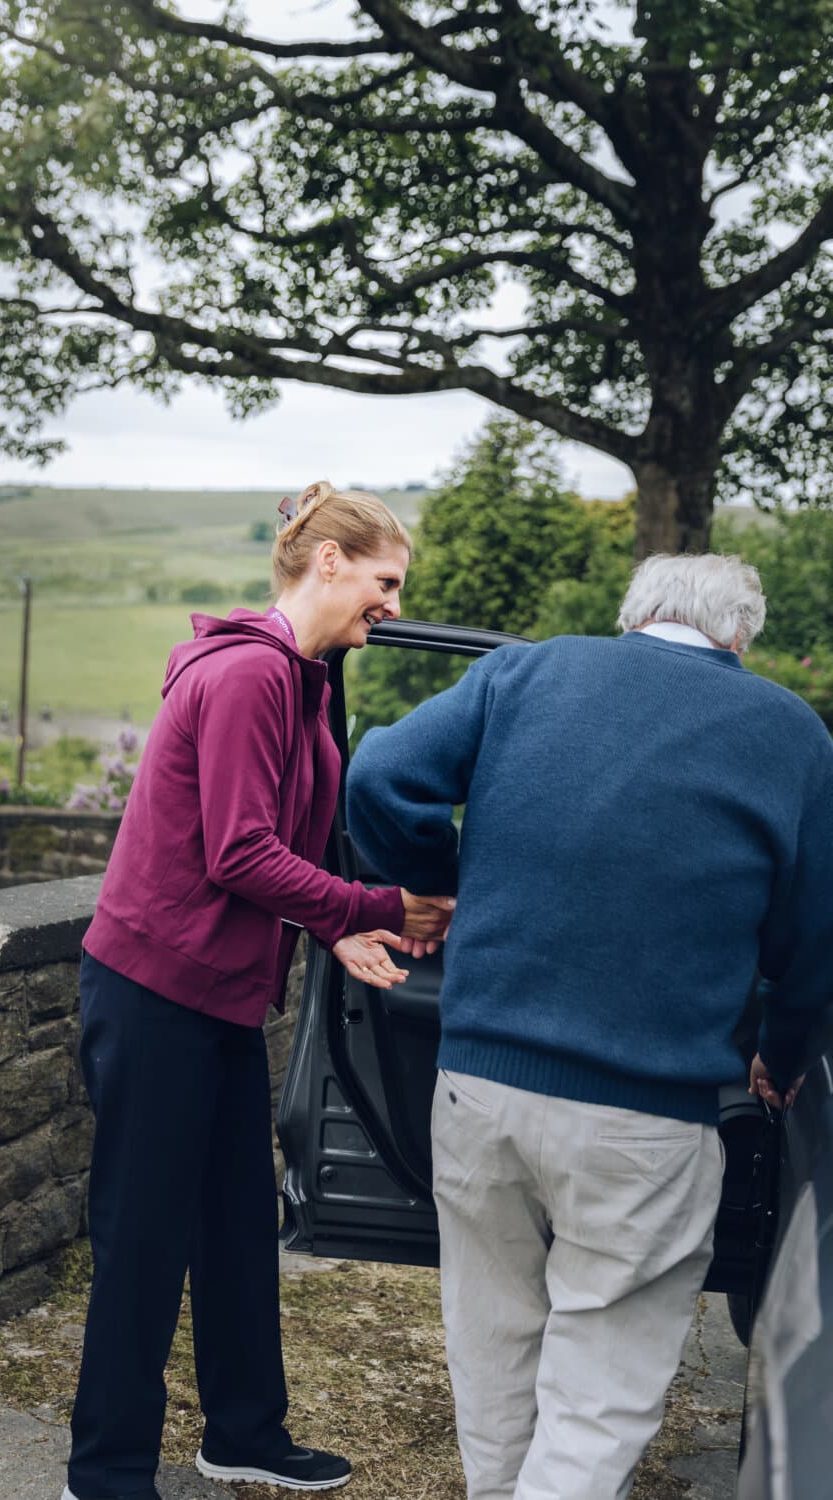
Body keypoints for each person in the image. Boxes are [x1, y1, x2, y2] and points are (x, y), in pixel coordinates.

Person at [345, 553, 833, 1500]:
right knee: (600, 1379)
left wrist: (440, 879)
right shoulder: (791, 733)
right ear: (739, 640)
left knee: (492, 1336)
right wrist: (782, 1048)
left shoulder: (526, 670)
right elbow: (812, 937)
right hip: (647, 1119)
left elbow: (380, 771)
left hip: (477, 1086)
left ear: (634, 614)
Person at [64, 481, 454, 1500]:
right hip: (154, 990)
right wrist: (370, 903)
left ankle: (242, 1433)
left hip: (221, 997)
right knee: (144, 1236)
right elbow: (239, 853)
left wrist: (341, 925)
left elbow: (289, 840)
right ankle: (102, 1470)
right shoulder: (248, 677)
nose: (393, 604)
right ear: (329, 561)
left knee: (239, 1225)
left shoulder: (304, 677)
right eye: (385, 580)